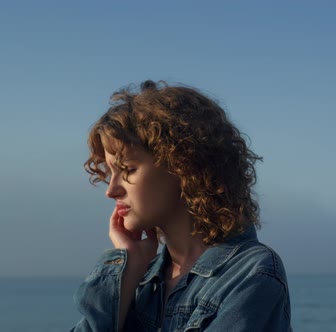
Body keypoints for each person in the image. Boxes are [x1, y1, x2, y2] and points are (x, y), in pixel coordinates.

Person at [70, 80, 292, 332]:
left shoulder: (250, 273)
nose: (111, 191)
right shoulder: (139, 277)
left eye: (128, 169)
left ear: (182, 166)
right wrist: (126, 271)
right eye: (110, 173)